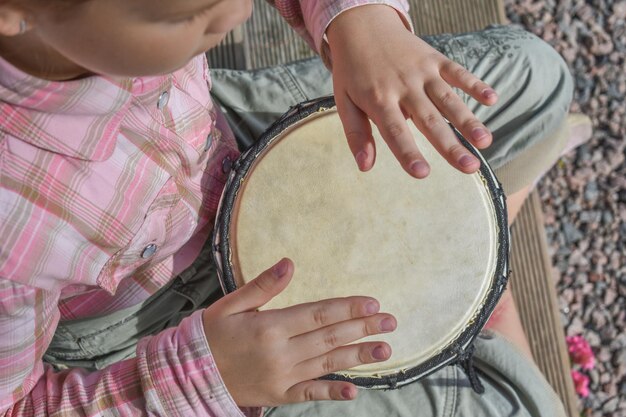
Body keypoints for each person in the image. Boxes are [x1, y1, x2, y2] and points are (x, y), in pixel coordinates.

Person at [0, 0, 579, 416]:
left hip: (218, 146)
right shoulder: (10, 232)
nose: (237, 15)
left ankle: (471, 291)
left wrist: (361, 18)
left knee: (540, 78)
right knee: (527, 404)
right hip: (159, 330)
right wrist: (208, 377)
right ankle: (477, 296)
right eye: (184, 14)